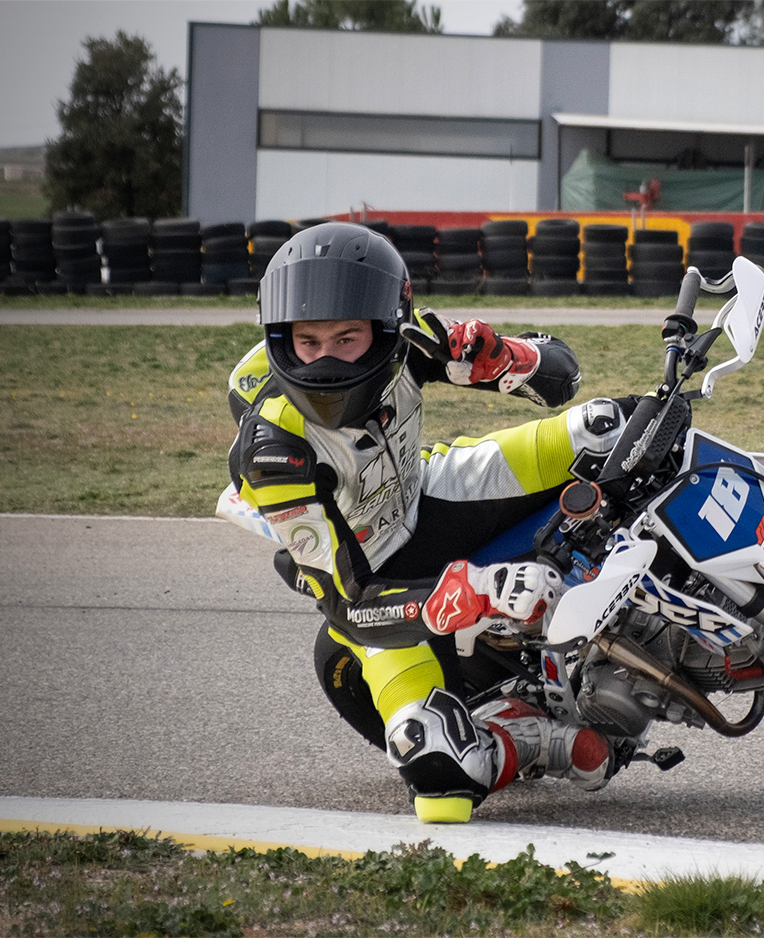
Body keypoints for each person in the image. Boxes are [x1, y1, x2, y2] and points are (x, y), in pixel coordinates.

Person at [225, 222, 630, 823]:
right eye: (307, 341)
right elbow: (349, 603)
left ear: (386, 328)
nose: (326, 361)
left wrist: (510, 357)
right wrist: (471, 591)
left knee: (613, 427)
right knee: (441, 784)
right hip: (377, 588)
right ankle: (529, 739)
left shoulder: (414, 340)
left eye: (346, 338)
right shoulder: (272, 452)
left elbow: (563, 377)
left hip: (429, 492)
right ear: (282, 337)